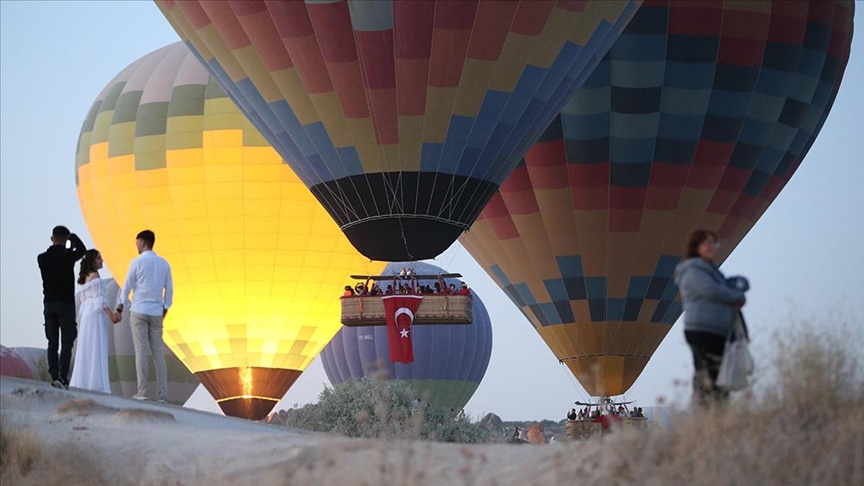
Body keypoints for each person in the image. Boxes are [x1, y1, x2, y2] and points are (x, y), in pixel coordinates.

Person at [674, 229, 747, 406]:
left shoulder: (711, 270)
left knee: (720, 372)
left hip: (718, 331)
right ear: (696, 246)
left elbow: (729, 285)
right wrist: (736, 296)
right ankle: (706, 412)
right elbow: (711, 290)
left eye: (714, 243)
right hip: (702, 331)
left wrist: (737, 287)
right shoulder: (692, 270)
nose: (712, 247)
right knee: (707, 372)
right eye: (707, 243)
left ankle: (718, 411)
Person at [115, 230, 173, 403]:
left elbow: (127, 287)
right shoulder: (164, 264)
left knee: (141, 352)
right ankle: (162, 396)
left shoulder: (136, 263)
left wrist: (120, 306)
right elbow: (169, 290)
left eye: (137, 243)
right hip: (156, 312)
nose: (136, 246)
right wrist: (165, 308)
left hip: (139, 310)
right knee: (158, 354)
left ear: (142, 242)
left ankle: (143, 392)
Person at [38, 225, 86, 389]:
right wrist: (72, 238)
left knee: (52, 341)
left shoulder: (42, 258)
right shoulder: (67, 257)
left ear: (52, 238)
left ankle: (53, 373)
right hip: (65, 304)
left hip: (49, 304)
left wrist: (66, 242)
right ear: (65, 239)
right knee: (67, 341)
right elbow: (82, 250)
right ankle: (62, 376)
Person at [69, 250, 119, 393]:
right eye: (98, 258)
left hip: (87, 316)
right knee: (96, 346)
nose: (101, 260)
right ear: (92, 261)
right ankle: (95, 383)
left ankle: (84, 380)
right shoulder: (96, 276)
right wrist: (111, 315)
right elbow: (100, 300)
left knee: (87, 347)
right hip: (96, 316)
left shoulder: (86, 278)